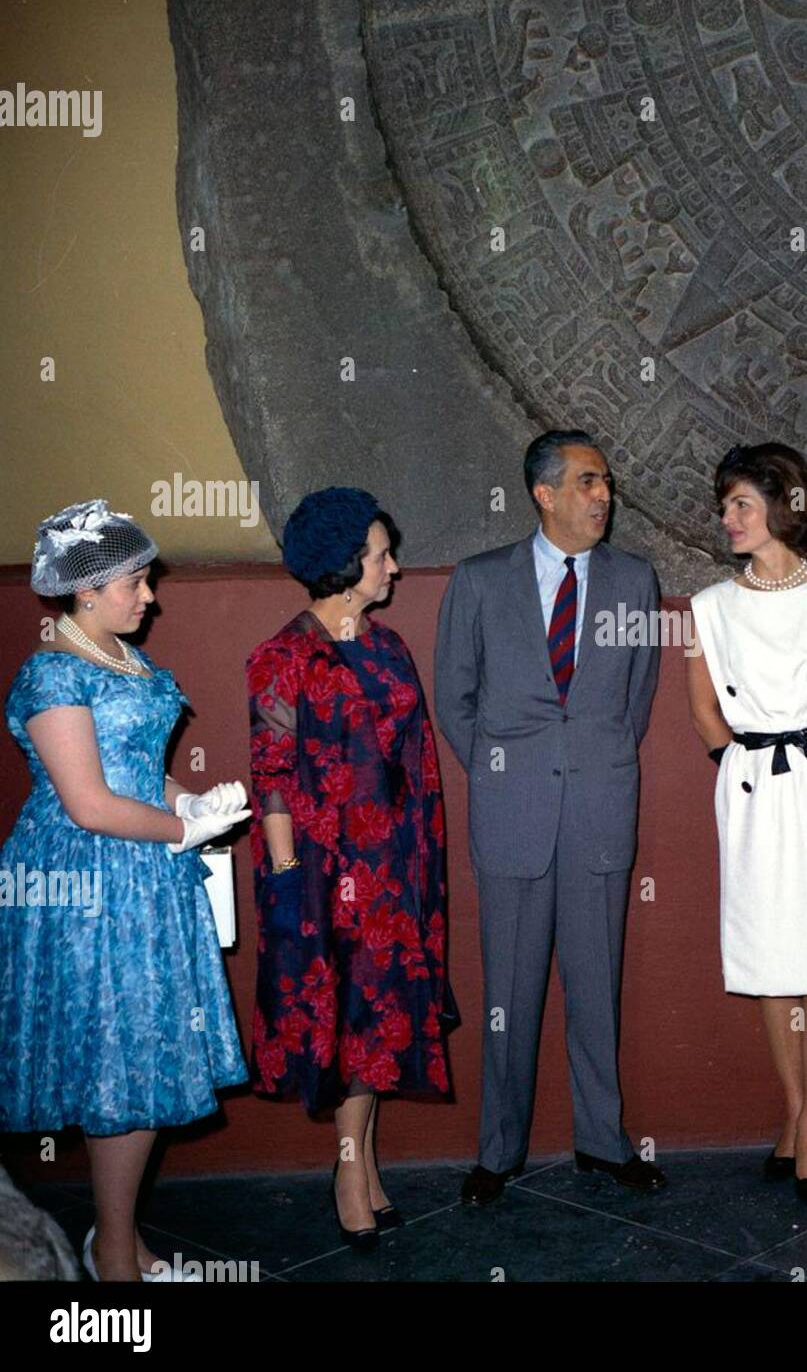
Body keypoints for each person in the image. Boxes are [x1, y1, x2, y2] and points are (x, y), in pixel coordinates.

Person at [0, 500, 250, 1282]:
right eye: (137, 583)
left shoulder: (123, 660)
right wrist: (183, 832)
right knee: (116, 1061)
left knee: (139, 1060)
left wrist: (190, 803)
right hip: (84, 887)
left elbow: (140, 777)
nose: (150, 597)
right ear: (88, 588)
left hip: (141, 876)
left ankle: (120, 1244)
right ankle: (115, 1255)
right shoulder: (53, 671)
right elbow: (88, 803)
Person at [434, 429, 665, 1205]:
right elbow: (454, 699)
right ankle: (497, 1153)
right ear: (544, 492)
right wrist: (508, 776)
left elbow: (632, 703)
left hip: (599, 811)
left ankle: (602, 1142)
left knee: (596, 986)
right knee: (509, 993)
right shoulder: (478, 581)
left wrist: (587, 769)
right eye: (590, 482)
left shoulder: (636, 582)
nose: (605, 496)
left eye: (606, 483)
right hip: (512, 817)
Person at [245, 488, 458, 1250]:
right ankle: (347, 1170)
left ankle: (363, 1164)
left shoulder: (388, 645)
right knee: (346, 1023)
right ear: (342, 564)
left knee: (378, 1020)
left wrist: (418, 861)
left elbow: (415, 761)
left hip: (395, 863)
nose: (393, 567)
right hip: (322, 872)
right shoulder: (281, 658)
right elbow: (270, 774)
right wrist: (287, 879)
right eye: (379, 556)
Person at [686, 443, 807, 1204]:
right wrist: (742, 769)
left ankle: (805, 1132)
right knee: (773, 962)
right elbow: (703, 709)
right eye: (725, 504)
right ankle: (802, 1118)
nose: (726, 517)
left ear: (784, 506)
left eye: (740, 503)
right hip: (753, 795)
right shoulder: (709, 608)